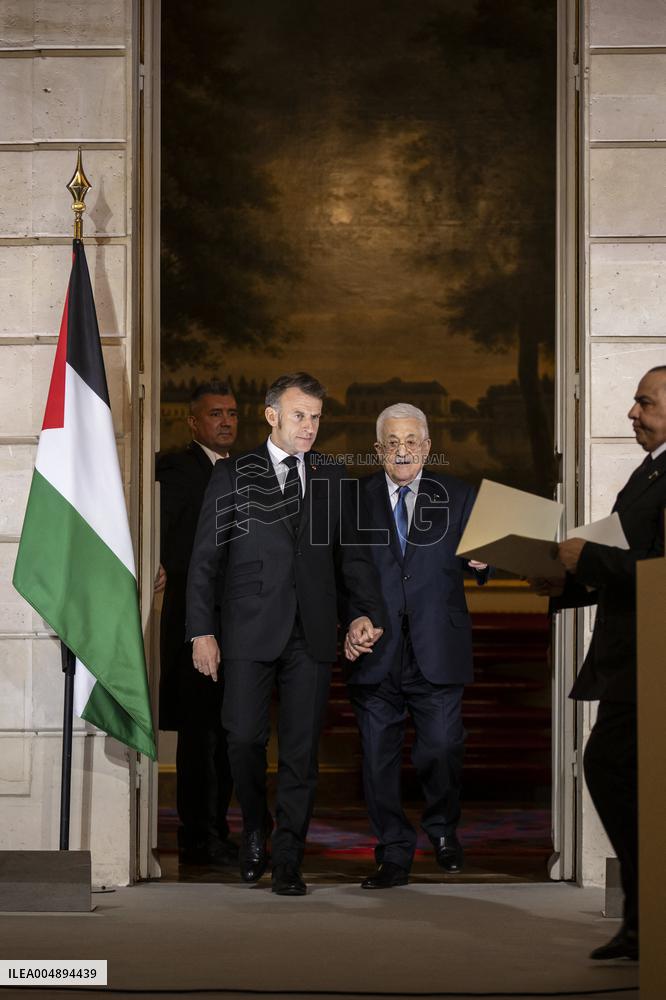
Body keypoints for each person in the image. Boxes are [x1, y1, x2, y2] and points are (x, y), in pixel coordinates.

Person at [186, 371, 385, 895]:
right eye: (300, 415)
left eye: (317, 417)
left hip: (313, 634)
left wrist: (362, 612)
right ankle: (256, 826)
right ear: (272, 416)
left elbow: (354, 560)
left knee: (300, 753)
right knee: (244, 738)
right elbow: (206, 559)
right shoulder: (233, 474)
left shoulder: (332, 476)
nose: (310, 427)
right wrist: (201, 630)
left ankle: (290, 858)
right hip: (247, 629)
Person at [531, 365, 666, 961]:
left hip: (654, 657)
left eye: (644, 403)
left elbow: (650, 570)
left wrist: (587, 557)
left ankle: (647, 921)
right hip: (633, 656)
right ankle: (643, 922)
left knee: (611, 764)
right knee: (616, 769)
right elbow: (624, 560)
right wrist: (563, 580)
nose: (631, 414)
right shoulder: (651, 470)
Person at [344, 403, 488, 889]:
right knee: (378, 759)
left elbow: (484, 560)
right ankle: (393, 852)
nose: (402, 451)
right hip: (375, 650)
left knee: (443, 747)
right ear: (378, 449)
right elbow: (340, 573)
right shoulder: (354, 498)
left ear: (427, 447)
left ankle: (443, 829)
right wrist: (351, 620)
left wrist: (485, 564)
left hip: (438, 646)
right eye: (392, 442)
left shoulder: (460, 495)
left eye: (411, 442)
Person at [157, 380, 239, 867]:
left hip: (239, 625)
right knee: (198, 734)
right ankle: (197, 836)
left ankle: (220, 831)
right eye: (215, 414)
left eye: (231, 413)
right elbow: (162, 538)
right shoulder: (176, 469)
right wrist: (159, 563)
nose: (225, 421)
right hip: (192, 620)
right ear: (194, 422)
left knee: (232, 733)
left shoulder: (249, 471)